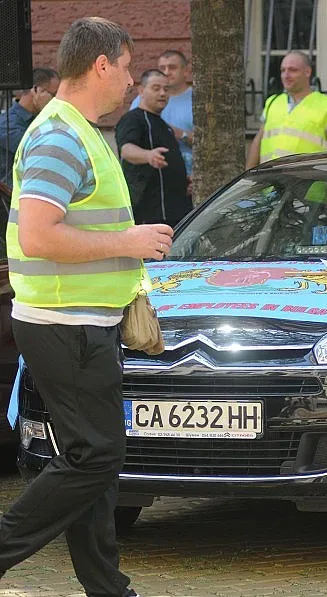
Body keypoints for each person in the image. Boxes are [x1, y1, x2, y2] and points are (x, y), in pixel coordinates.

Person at [1, 17, 174, 596]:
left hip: (79, 324)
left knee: (91, 461)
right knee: (94, 460)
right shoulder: (61, 135)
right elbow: (38, 236)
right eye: (127, 66)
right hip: (66, 325)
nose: (131, 79)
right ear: (102, 63)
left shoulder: (74, 129)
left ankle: (107, 587)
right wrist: (128, 243)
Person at [116, 69, 192, 227]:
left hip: (176, 213)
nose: (163, 93)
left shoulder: (164, 125)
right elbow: (127, 150)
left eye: (166, 89)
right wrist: (148, 156)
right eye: (156, 88)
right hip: (150, 214)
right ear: (141, 91)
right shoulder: (133, 119)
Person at [247, 51, 327, 167]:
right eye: (283, 70)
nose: (286, 75)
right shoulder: (272, 102)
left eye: (292, 70)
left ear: (308, 72)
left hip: (311, 183)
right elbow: (258, 141)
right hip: (271, 183)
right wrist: (247, 178)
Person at [130, 50, 194, 175]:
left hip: (190, 176)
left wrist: (181, 134)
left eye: (172, 68)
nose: (166, 72)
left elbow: (211, 143)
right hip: (153, 177)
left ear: (186, 71)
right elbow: (129, 140)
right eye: (162, 68)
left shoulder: (199, 101)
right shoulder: (142, 99)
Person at [0, 68, 60, 186]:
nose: (56, 101)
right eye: (53, 95)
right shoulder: (8, 125)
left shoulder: (39, 120)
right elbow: (44, 153)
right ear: (36, 90)